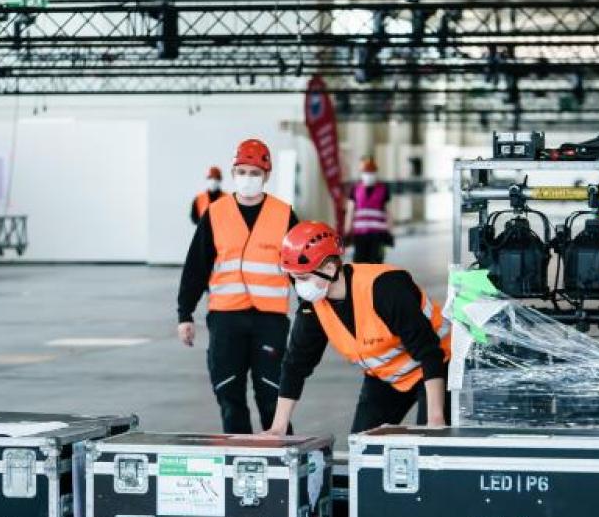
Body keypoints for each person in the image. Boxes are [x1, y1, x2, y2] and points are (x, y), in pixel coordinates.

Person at [264, 221, 450, 436]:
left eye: (303, 277)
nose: (299, 286)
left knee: (430, 445)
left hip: (439, 367)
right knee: (361, 446)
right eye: (293, 278)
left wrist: (436, 418)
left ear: (330, 269)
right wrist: (278, 427)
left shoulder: (385, 288)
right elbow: (295, 366)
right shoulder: (313, 308)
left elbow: (429, 353)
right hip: (387, 377)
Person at [177, 139, 298, 433]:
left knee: (272, 398)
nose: (248, 178)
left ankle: (282, 456)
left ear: (266, 175)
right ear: (233, 173)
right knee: (230, 398)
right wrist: (185, 314)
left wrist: (316, 309)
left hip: (270, 321)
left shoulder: (284, 215)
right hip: (226, 319)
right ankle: (239, 456)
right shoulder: (215, 213)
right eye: (242, 172)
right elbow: (196, 267)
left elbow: (301, 267)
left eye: (254, 173)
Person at [344, 156, 393, 264]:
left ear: (376, 172)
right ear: (362, 173)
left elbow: (388, 212)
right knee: (359, 263)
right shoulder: (355, 189)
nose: (369, 174)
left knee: (376, 263)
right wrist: (347, 232)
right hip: (360, 234)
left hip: (378, 234)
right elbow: (350, 211)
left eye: (371, 171)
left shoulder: (383, 189)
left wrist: (389, 232)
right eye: (366, 171)